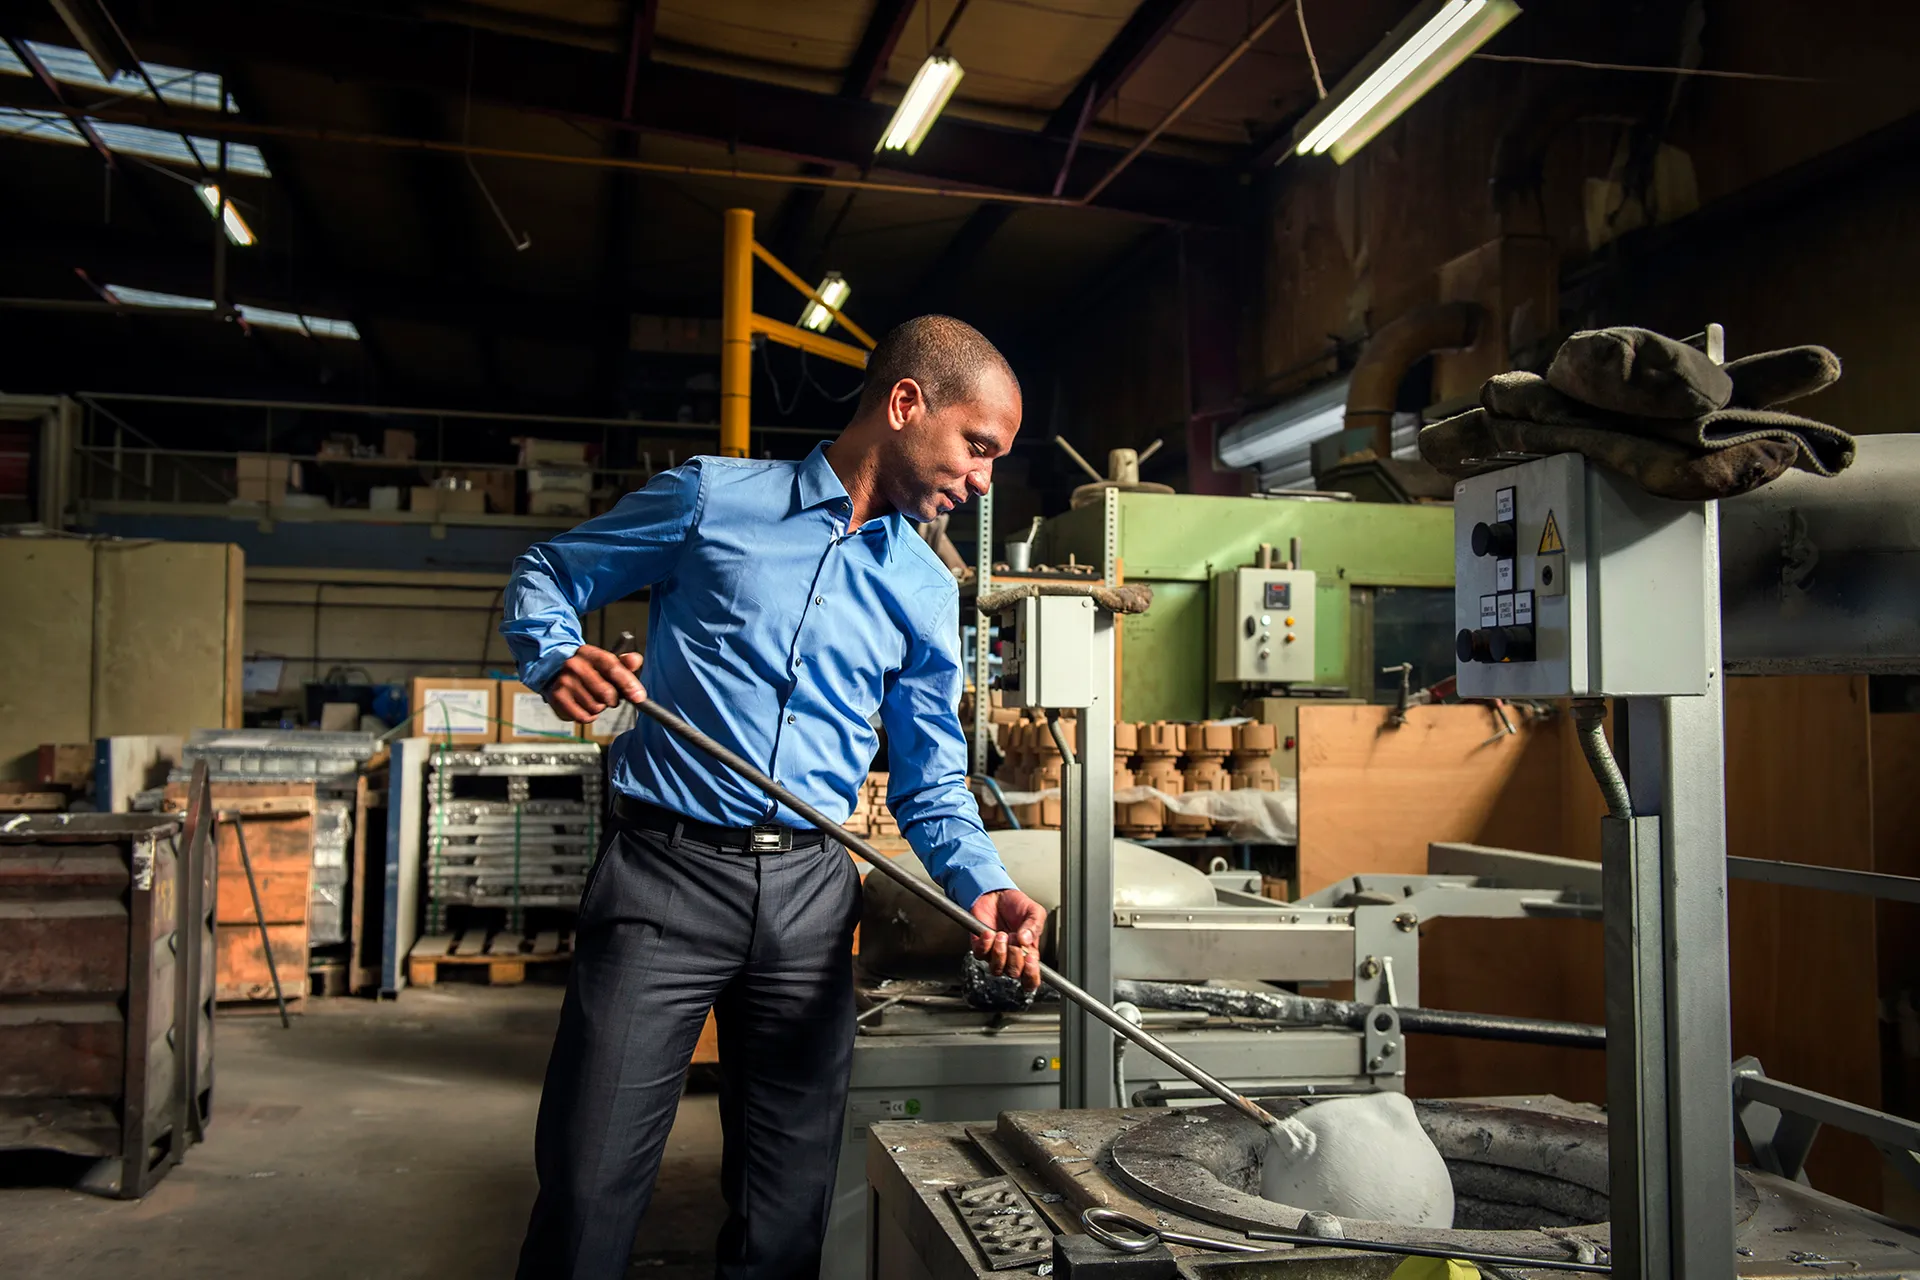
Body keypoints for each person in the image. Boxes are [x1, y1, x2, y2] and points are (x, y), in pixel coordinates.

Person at [501, 314, 1048, 1280]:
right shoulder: (713, 500)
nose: (983, 477)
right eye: (978, 446)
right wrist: (556, 658)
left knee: (785, 1205)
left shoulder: (925, 589)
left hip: (808, 896)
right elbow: (548, 571)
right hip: (661, 881)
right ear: (905, 403)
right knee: (590, 1185)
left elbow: (931, 785)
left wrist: (983, 883)